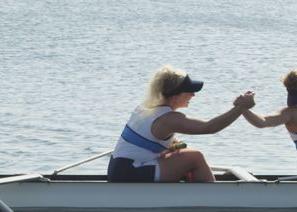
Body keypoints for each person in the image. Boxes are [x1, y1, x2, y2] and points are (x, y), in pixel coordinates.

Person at [107, 65, 256, 183]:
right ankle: (215, 197)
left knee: (184, 151)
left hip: (118, 169)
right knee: (195, 157)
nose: (193, 95)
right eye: (190, 91)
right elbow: (210, 127)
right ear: (176, 95)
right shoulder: (169, 119)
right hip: (130, 172)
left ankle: (198, 185)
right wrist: (241, 108)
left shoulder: (145, 109)